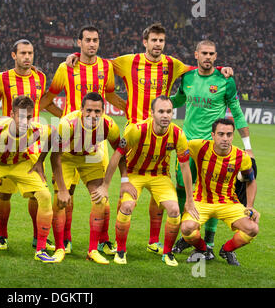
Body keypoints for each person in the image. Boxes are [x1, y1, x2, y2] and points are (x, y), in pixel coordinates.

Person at [67, 23, 233, 256]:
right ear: (144, 42)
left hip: (163, 133)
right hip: (136, 132)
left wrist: (222, 68)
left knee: (160, 181)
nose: (157, 44)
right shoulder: (127, 61)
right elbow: (98, 60)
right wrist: (75, 55)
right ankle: (115, 241)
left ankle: (154, 240)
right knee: (127, 182)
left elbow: (200, 68)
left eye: (161, 41)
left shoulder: (172, 64)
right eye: (153, 40)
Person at [40, 25, 126, 255]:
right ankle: (65, 240)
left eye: (95, 40)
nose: (92, 44)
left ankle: (103, 240)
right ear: (79, 43)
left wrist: (130, 109)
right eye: (87, 40)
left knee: (101, 194)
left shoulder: (106, 67)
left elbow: (108, 95)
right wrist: (64, 117)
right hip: (70, 138)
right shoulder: (65, 67)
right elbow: (48, 99)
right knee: (67, 192)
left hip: (97, 140)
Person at [170, 40, 253, 257]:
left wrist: (248, 147)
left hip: (213, 148)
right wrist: (150, 102)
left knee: (213, 192)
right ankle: (186, 234)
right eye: (204, 53)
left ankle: (209, 242)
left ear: (216, 57)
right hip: (187, 145)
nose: (207, 57)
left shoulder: (225, 80)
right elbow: (177, 100)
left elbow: (236, 111)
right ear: (196, 54)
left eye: (211, 54)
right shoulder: (187, 77)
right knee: (182, 187)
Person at [93, 96, 193, 267]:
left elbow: (185, 168)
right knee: (126, 206)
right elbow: (117, 156)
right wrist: (106, 185)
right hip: (134, 173)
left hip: (160, 176)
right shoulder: (136, 130)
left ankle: (168, 253)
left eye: (169, 112)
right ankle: (121, 250)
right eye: (161, 111)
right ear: (152, 113)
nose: (165, 115)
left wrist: (190, 201)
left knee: (175, 210)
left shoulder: (178, 134)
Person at [0, 39, 58, 251]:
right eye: (23, 53)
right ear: (14, 55)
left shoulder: (40, 77)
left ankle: (38, 237)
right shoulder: (1, 79)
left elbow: (42, 103)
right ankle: (2, 237)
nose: (27, 57)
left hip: (34, 145)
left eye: (30, 53)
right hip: (8, 144)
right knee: (4, 194)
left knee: (37, 194)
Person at [0, 96, 55, 263]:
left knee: (45, 196)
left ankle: (41, 249)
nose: (25, 121)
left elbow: (54, 135)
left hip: (21, 163)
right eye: (21, 116)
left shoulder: (37, 129)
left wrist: (40, 161)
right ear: (12, 114)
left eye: (28, 117)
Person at [51, 92, 121, 264]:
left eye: (97, 111)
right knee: (60, 201)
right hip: (66, 158)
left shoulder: (109, 125)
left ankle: (92, 250)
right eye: (88, 110)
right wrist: (61, 189)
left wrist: (110, 183)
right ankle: (60, 248)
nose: (92, 115)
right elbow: (55, 156)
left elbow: (120, 151)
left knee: (100, 200)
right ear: (81, 110)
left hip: (90, 158)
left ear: (103, 111)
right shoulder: (67, 124)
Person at [181, 118, 259, 266]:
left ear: (233, 136)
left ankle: (227, 250)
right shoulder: (199, 146)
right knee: (187, 229)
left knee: (252, 229)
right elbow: (177, 143)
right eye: (221, 134)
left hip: (228, 203)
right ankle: (203, 250)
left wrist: (250, 206)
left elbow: (251, 181)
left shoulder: (241, 156)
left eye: (229, 134)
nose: (225, 138)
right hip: (201, 201)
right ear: (213, 135)